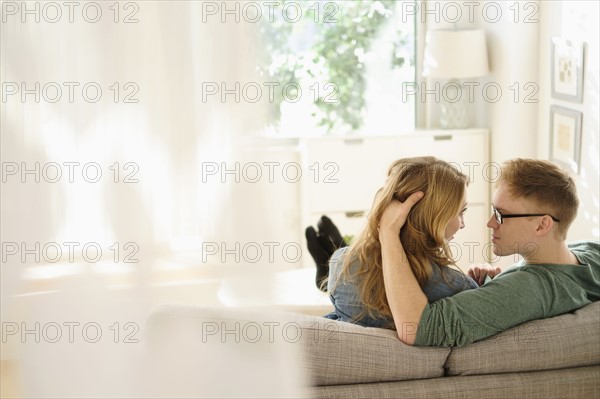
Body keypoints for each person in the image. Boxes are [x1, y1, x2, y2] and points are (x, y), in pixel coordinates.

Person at [379, 158, 599, 347]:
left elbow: (418, 329)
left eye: (502, 215)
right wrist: (491, 288)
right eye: (494, 211)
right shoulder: (590, 252)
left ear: (542, 225)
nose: (490, 223)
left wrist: (388, 234)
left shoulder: (529, 290)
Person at [306, 156, 478, 329]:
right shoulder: (458, 287)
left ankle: (332, 258)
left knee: (344, 259)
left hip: (346, 277)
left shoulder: (341, 264)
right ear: (434, 217)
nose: (463, 224)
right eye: (460, 212)